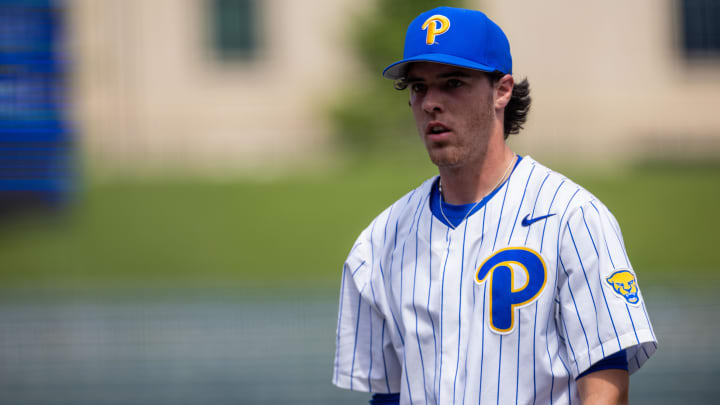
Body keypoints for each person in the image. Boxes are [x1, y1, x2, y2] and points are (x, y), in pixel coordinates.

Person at [333, 6, 656, 405]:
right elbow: (387, 396)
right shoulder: (378, 243)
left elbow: (605, 386)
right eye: (418, 87)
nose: (431, 102)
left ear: (502, 90)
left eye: (452, 83)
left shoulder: (572, 217)